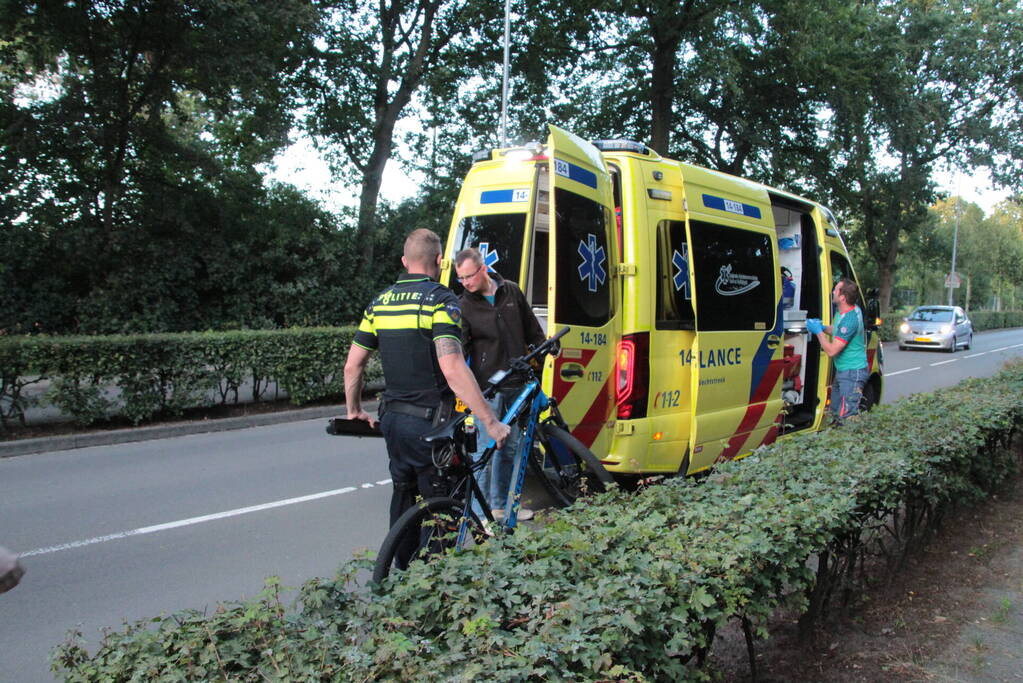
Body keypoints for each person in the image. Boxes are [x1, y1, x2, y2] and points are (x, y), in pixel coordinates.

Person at [344, 229, 510, 569]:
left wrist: (354, 410)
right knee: (441, 502)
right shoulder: (440, 300)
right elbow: (452, 368)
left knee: (403, 494)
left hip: (392, 420)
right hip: (432, 424)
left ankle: (400, 575)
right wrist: (491, 423)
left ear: (405, 262)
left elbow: (353, 365)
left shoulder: (380, 303)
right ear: (439, 261)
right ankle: (434, 584)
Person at [455, 248, 546, 521]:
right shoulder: (464, 305)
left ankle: (501, 508)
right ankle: (479, 516)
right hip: (488, 388)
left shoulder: (511, 292)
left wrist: (543, 350)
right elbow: (460, 349)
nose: (466, 283)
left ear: (483, 270)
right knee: (486, 449)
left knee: (511, 448)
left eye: (469, 276)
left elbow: (532, 329)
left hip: (518, 381)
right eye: (461, 278)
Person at [807, 278, 869, 424]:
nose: (832, 291)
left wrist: (818, 333)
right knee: (835, 413)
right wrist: (823, 327)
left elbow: (832, 351)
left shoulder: (850, 319)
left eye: (836, 289)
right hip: (844, 371)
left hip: (852, 373)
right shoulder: (844, 312)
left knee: (847, 417)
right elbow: (837, 331)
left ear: (842, 297)